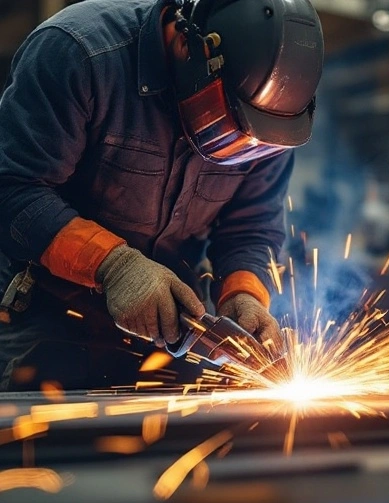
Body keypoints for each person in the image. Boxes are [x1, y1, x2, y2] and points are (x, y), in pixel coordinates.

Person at [0, 0, 324, 390]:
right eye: (227, 129)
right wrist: (114, 266)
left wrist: (243, 292)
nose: (243, 150)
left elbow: (250, 228)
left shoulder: (267, 123)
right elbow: (13, 189)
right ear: (192, 49)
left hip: (173, 334)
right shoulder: (80, 54)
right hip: (42, 319)